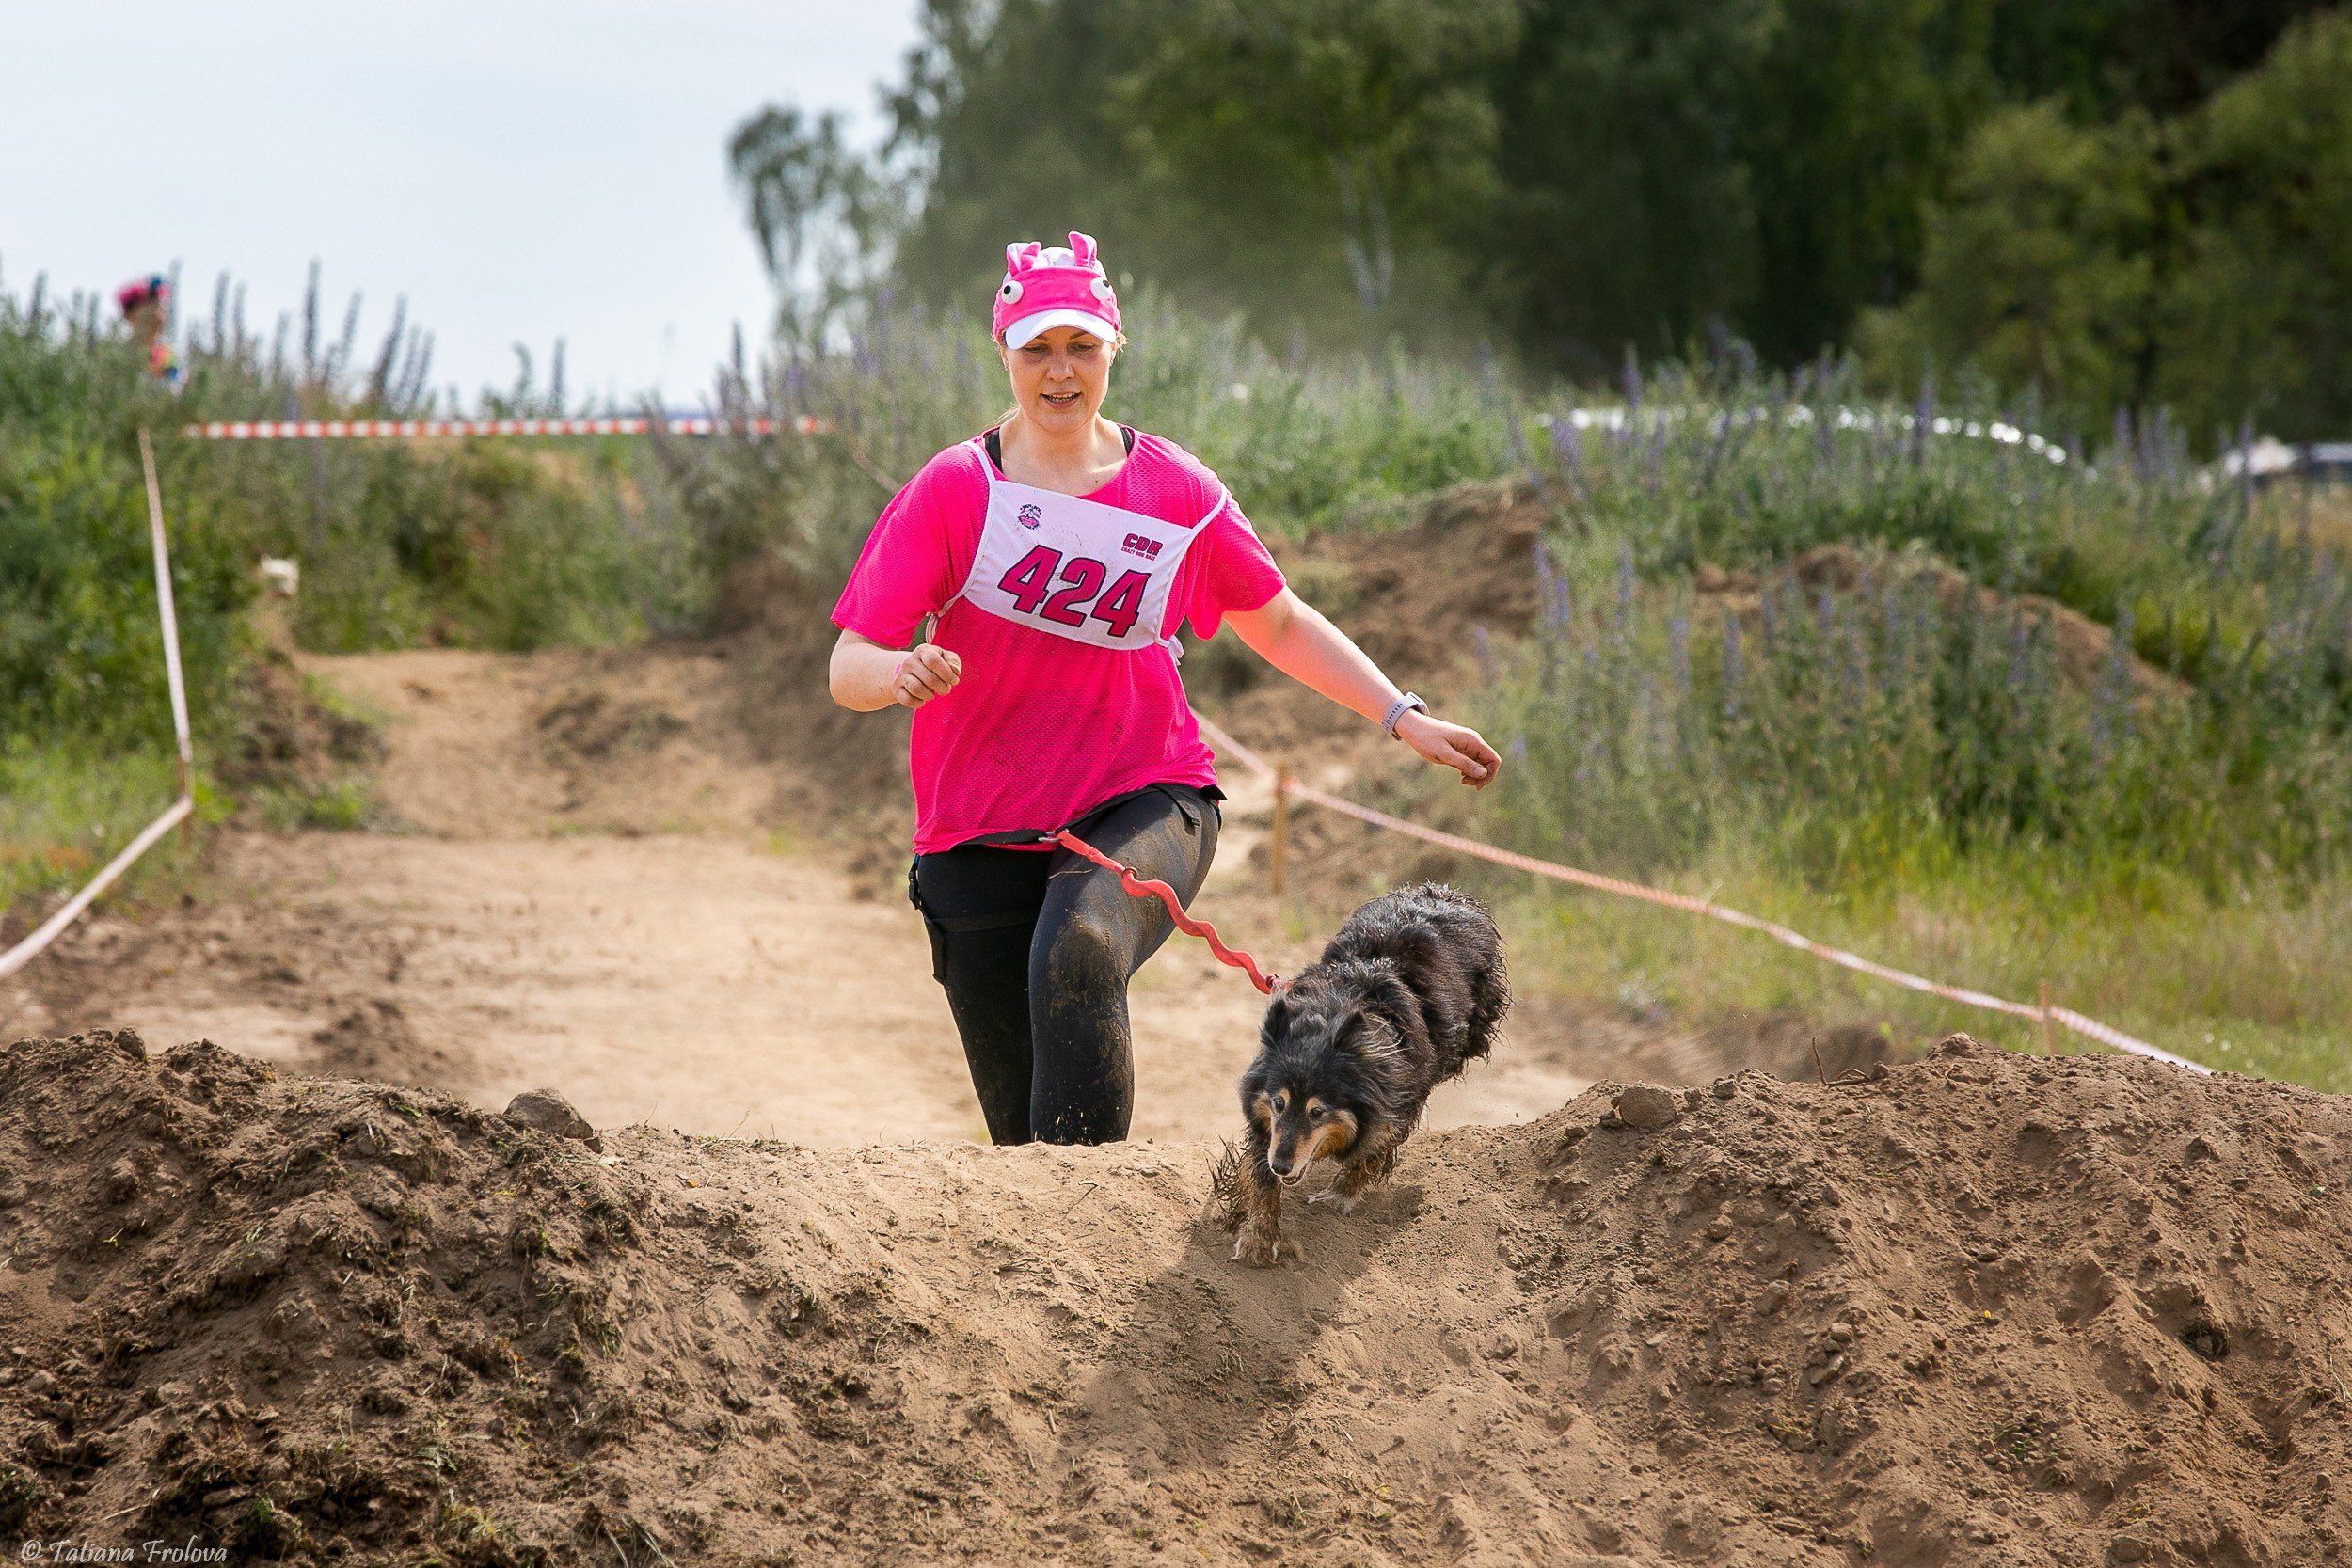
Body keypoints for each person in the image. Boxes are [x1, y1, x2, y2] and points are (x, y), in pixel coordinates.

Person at [829, 232, 1501, 1147]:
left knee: (1079, 949)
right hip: (976, 824)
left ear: (1113, 347)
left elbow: (1281, 621)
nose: (1059, 370)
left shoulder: (1175, 490)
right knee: (1023, 1133)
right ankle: (1059, 1238)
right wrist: (901, 672)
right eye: (1037, 348)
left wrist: (1401, 714)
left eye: (1080, 347)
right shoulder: (954, 489)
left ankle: (1092, 1212)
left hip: (1146, 796)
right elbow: (849, 665)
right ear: (1004, 352)